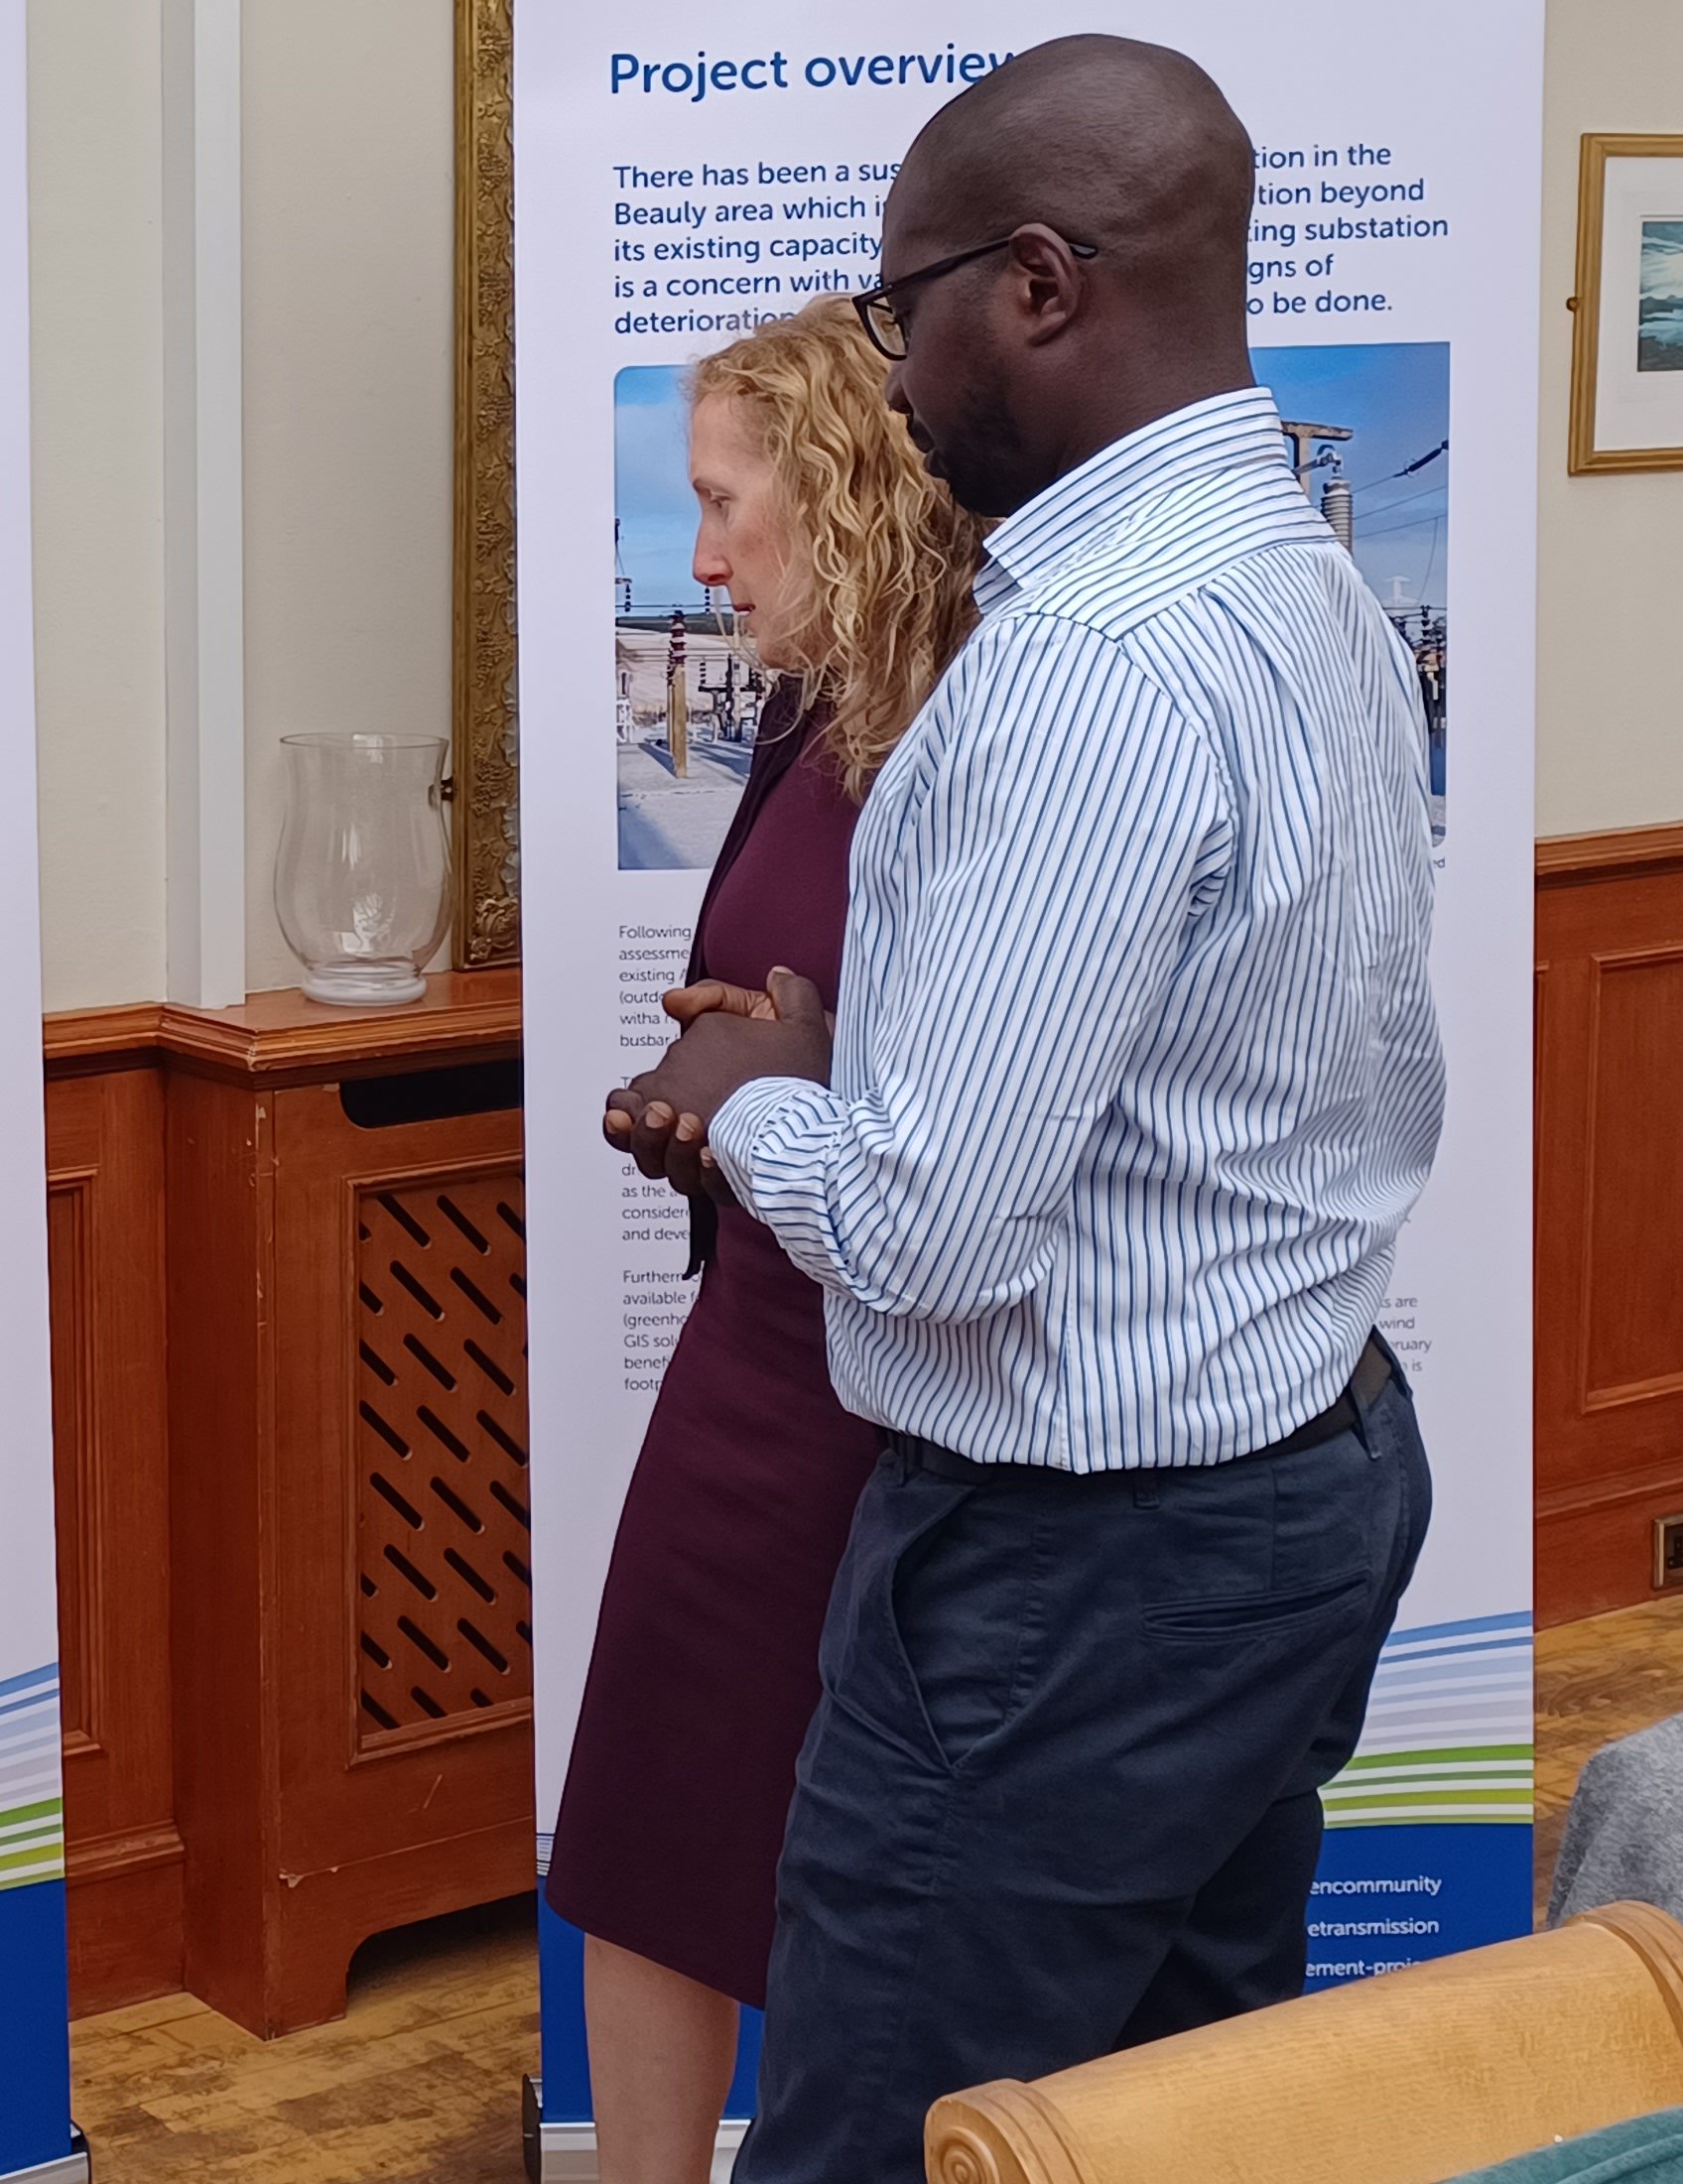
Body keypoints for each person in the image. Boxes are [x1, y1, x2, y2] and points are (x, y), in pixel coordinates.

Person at [605, 35, 1443, 2183]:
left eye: (909, 310)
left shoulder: (1074, 662)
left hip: (1079, 1565)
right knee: (1168, 2115)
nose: (890, 377)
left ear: (1041, 284)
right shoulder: (1302, 585)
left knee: (893, 2142)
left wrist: (752, 1093)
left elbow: (925, 1239)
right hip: (1302, 1473)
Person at [551, 302, 980, 2184]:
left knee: (886, 1874)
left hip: (933, 1372)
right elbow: (804, 990)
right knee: (654, 1814)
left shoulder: (1004, 711)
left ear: (855, 494)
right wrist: (729, 1061)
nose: (701, 555)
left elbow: (990, 1088)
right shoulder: (812, 704)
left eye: (727, 503)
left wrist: (801, 1070)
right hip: (761, 1327)